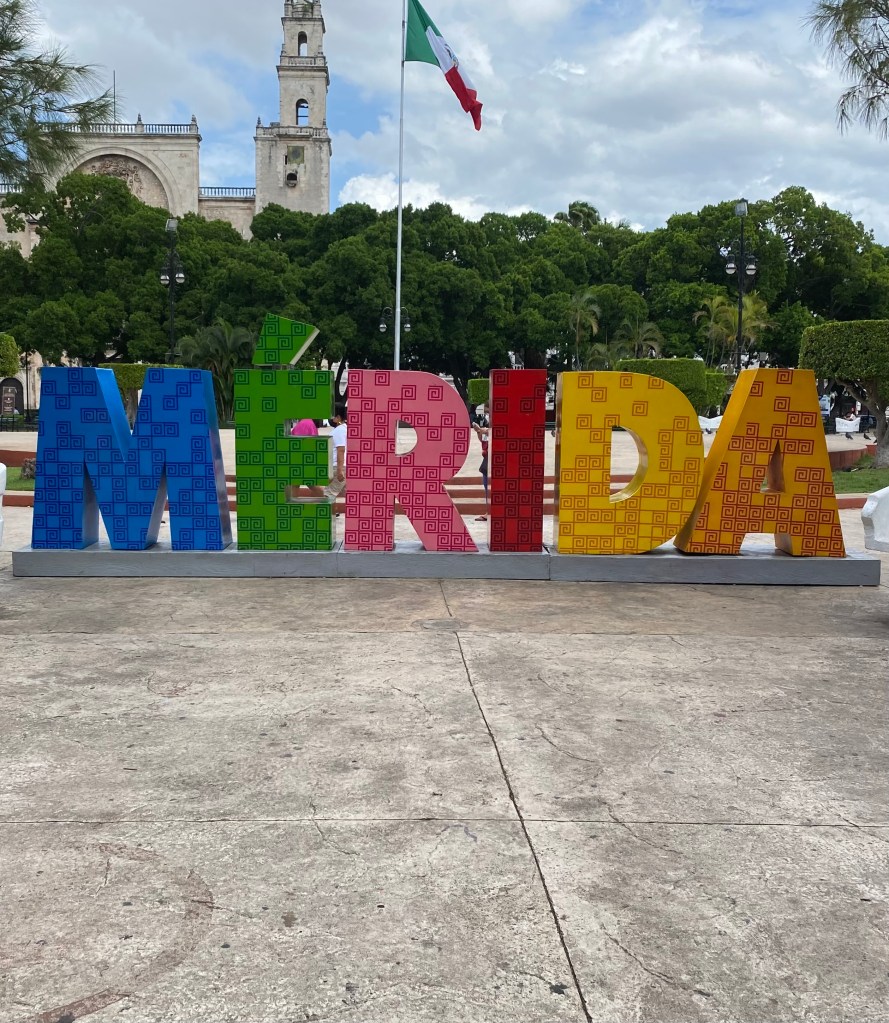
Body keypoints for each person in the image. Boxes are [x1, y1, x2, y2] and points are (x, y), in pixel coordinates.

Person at [288, 419, 325, 500]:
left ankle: (327, 499)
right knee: (295, 484)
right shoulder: (308, 422)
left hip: (301, 460)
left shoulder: (304, 423)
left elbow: (298, 444)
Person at [323, 406, 347, 505]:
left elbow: (341, 450)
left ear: (338, 417)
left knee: (328, 494)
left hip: (339, 467)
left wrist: (339, 470)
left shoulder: (340, 430)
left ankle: (328, 514)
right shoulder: (342, 429)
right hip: (341, 466)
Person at [472, 402, 490, 522]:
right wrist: (479, 431)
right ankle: (489, 512)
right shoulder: (487, 422)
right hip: (487, 459)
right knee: (487, 487)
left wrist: (485, 431)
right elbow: (483, 440)